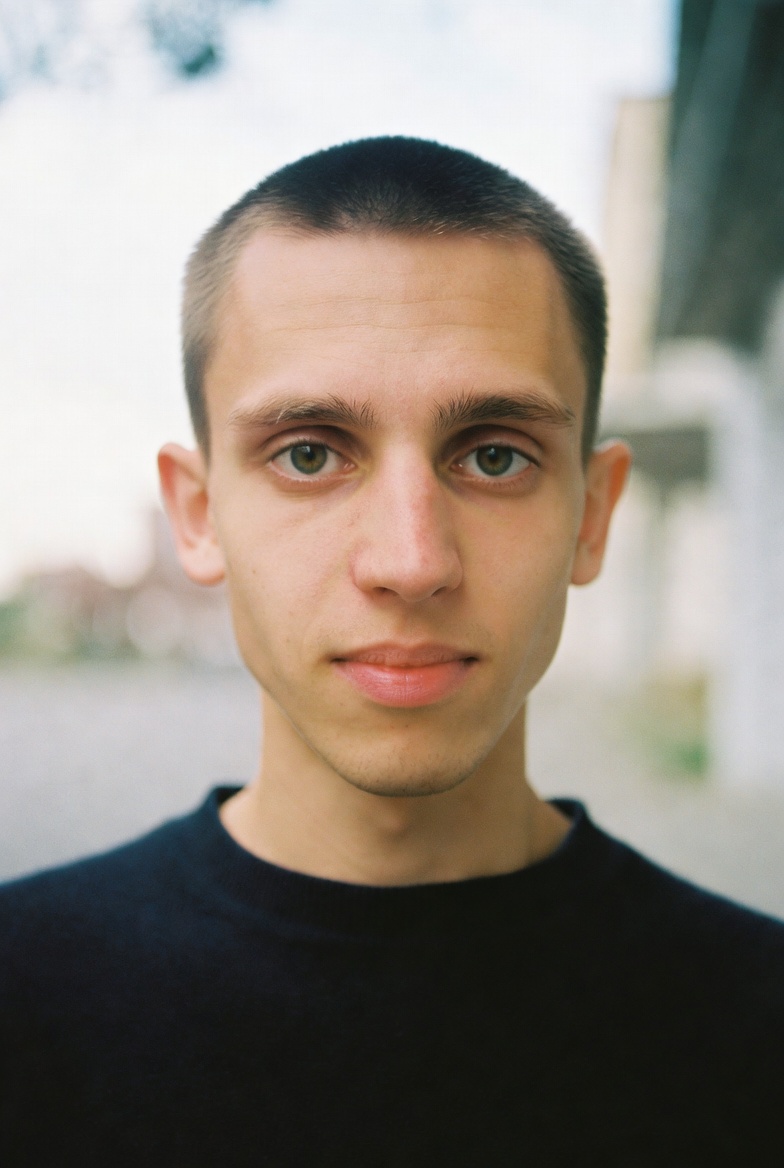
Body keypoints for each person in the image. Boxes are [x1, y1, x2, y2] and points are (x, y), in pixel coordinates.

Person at [1, 136, 783, 1167]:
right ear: (197, 516)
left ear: (591, 517)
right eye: (310, 453)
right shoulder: (22, 992)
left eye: (494, 455)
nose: (411, 562)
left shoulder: (756, 1022)